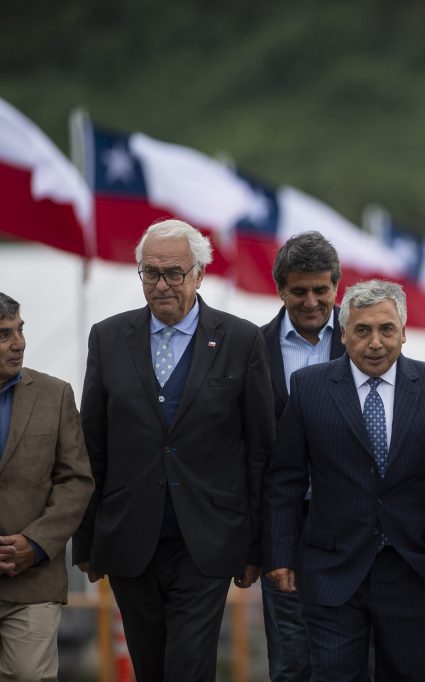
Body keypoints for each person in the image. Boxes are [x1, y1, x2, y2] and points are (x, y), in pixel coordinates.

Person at [72, 219, 275, 682]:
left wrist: (256, 544)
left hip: (207, 540)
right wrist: (86, 542)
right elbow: (92, 445)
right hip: (129, 538)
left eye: (174, 273)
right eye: (150, 273)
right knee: (149, 665)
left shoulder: (241, 341)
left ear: (200, 274)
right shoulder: (107, 338)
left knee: (188, 664)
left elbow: (260, 450)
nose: (162, 285)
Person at [264, 279, 425, 682]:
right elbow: (286, 478)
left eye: (386, 329)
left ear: (404, 333)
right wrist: (280, 553)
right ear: (344, 332)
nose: (375, 342)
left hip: (415, 569)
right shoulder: (309, 387)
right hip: (332, 569)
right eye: (362, 330)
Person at [260, 231, 345, 682]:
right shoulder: (252, 348)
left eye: (321, 289)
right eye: (299, 291)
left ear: (336, 287)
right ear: (280, 289)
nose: (311, 301)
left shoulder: (365, 343)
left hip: (351, 528)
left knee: (352, 659)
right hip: (285, 531)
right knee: (292, 659)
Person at [0, 293, 94, 682]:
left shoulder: (56, 394)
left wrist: (35, 544)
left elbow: (76, 480)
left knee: (29, 676)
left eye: (20, 330)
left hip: (32, 580)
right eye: (4, 334)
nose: (19, 343)